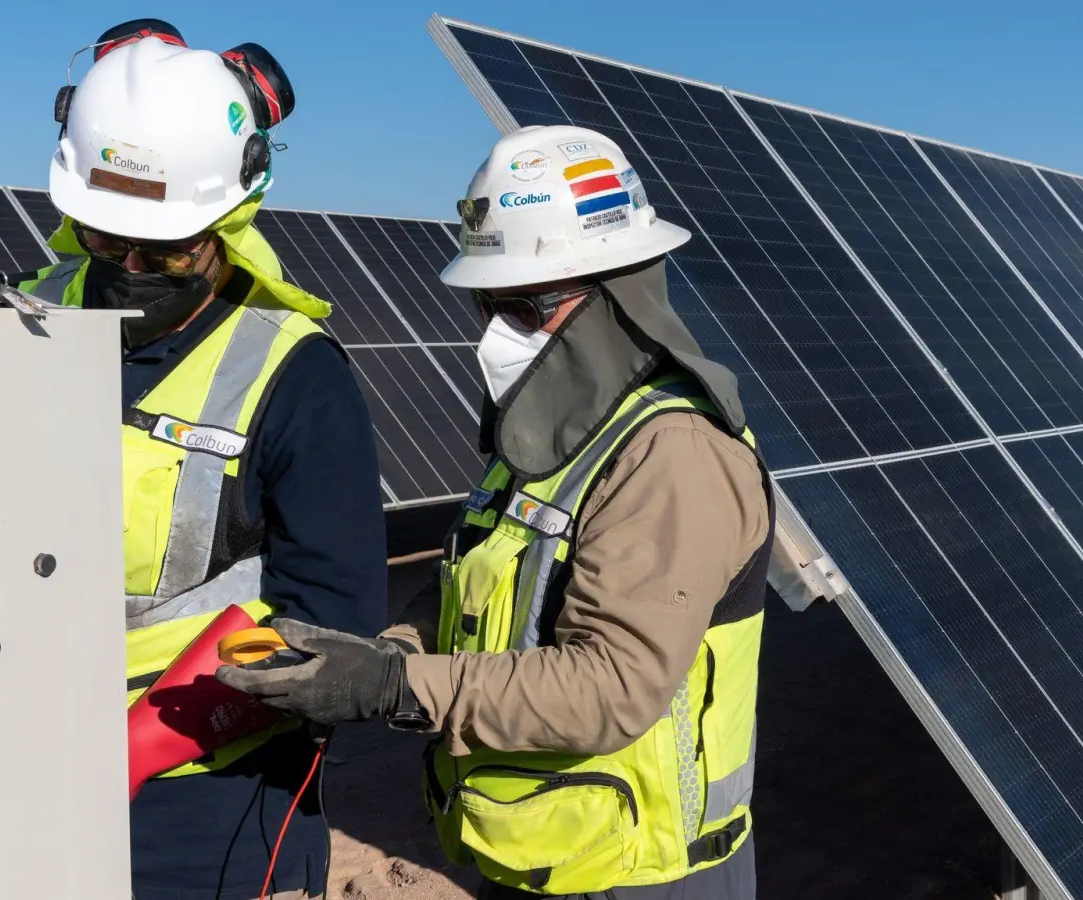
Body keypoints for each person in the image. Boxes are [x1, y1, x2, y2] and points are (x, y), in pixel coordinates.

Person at [218, 125, 774, 899]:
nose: (494, 332)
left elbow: (613, 685)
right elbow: (465, 583)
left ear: (615, 295)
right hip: (547, 851)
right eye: (489, 303)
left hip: (642, 875)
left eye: (522, 307)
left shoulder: (670, 453)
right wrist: (370, 654)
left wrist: (396, 687)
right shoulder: (557, 433)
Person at [19, 19, 386, 900]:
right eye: (107, 239)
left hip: (199, 806)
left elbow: (332, 621)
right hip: (13, 759)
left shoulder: (294, 376)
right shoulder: (18, 324)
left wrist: (138, 747)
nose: (133, 266)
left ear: (231, 216)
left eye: (169, 247)